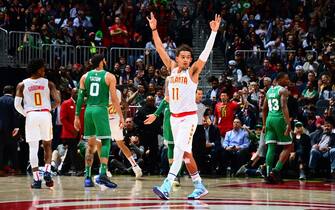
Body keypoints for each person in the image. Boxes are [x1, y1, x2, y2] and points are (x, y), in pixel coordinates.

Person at [147, 12, 221, 199]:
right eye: (184, 57)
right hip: (174, 118)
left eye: (189, 57)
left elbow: (205, 53)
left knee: (179, 150)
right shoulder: (171, 68)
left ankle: (166, 185)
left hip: (188, 118)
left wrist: (213, 33)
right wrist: (154, 29)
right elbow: (159, 48)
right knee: (187, 155)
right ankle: (199, 186)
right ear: (178, 58)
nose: (187, 59)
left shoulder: (193, 72)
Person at [74, 54, 124, 188]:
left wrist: (77, 116)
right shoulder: (109, 76)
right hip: (101, 110)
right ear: (102, 62)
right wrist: (121, 116)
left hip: (88, 110)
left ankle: (88, 177)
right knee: (106, 140)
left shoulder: (84, 76)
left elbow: (79, 98)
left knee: (90, 145)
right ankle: (102, 173)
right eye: (104, 60)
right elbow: (114, 100)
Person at [14, 59, 61, 188]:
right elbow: (57, 101)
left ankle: (36, 180)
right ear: (37, 69)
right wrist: (48, 109)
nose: (44, 70)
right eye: (42, 68)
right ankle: (46, 171)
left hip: (31, 115)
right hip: (45, 114)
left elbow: (17, 105)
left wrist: (27, 113)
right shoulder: (49, 83)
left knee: (33, 148)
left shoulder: (22, 84)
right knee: (47, 145)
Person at [98, 88, 142, 178]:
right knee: (121, 144)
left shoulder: (102, 91)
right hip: (115, 120)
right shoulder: (117, 91)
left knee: (102, 144)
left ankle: (104, 169)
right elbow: (126, 105)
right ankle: (135, 167)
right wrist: (122, 115)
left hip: (106, 121)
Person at [262, 72, 292, 184]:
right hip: (279, 119)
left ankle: (268, 174)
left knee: (271, 147)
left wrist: (264, 124)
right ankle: (275, 170)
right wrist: (288, 124)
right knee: (289, 146)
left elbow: (264, 109)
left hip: (269, 119)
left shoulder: (269, 91)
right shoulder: (283, 90)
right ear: (280, 79)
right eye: (286, 78)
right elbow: (284, 106)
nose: (288, 80)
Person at [0, 85, 20, 176]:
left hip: (0, 128)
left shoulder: (0, 99)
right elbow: (16, 115)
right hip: (11, 129)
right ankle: (15, 169)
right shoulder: (13, 101)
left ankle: (1, 169)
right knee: (13, 150)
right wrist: (16, 127)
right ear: (12, 92)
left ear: (4, 91)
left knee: (1, 149)